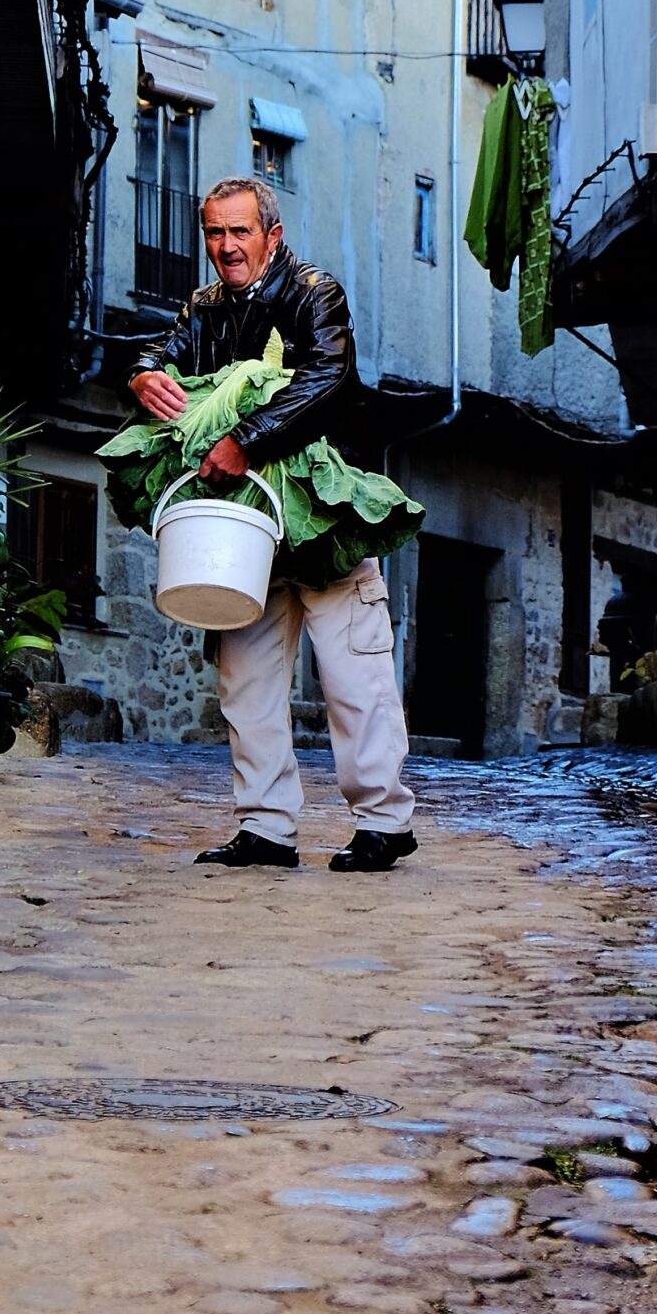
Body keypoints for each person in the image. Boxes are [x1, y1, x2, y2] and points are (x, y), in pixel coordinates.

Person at [128, 177, 417, 873]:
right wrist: (140, 376)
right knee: (245, 676)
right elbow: (161, 352)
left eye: (239, 232)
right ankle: (264, 828)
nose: (226, 247)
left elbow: (326, 378)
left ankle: (384, 822)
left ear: (272, 236)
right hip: (242, 524)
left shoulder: (314, 293)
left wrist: (246, 442)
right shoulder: (203, 307)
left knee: (355, 674)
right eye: (214, 233)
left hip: (321, 512)